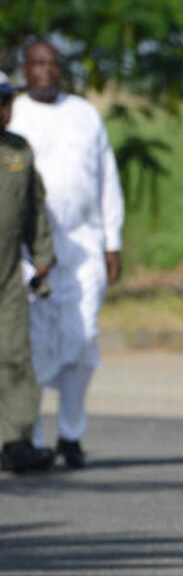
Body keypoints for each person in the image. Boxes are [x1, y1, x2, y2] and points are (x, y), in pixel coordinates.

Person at [10, 40, 124, 468]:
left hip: (84, 247)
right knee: (36, 346)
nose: (46, 72)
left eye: (54, 65)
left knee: (83, 339)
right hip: (29, 251)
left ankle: (71, 434)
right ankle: (33, 437)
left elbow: (106, 180)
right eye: (38, 64)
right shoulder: (14, 111)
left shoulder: (84, 114)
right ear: (25, 67)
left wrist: (112, 240)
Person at [0, 72, 58, 473]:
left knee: (15, 355)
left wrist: (42, 256)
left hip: (6, 276)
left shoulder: (18, 151)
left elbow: (34, 209)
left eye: (7, 101)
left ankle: (15, 441)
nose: (4, 110)